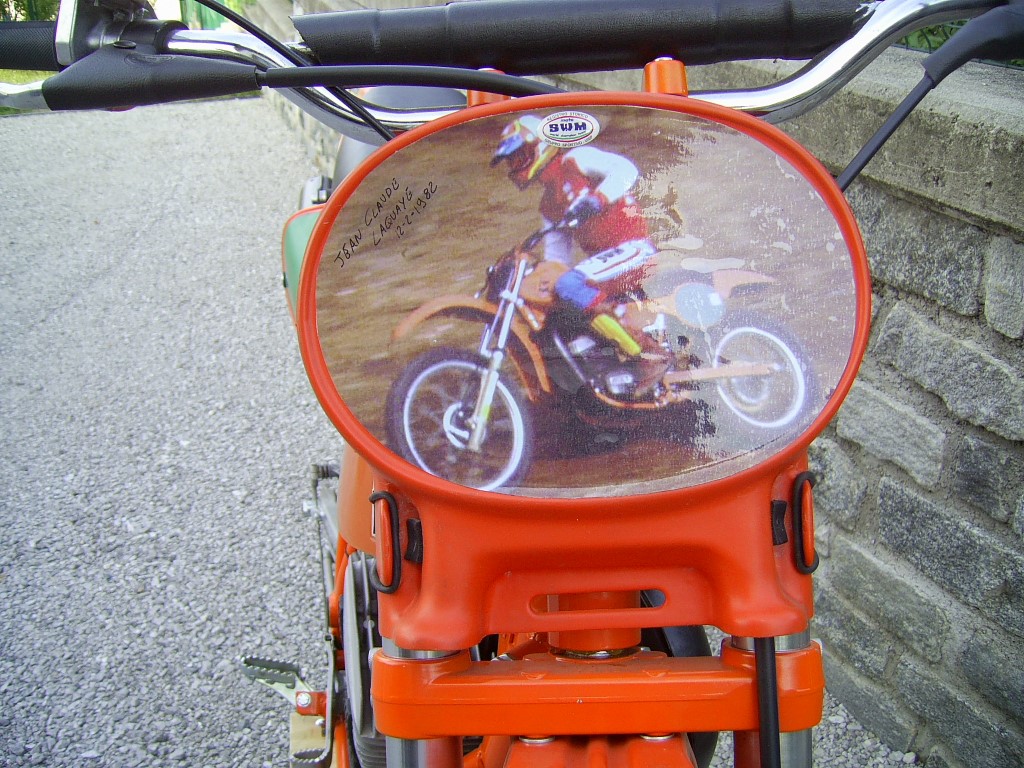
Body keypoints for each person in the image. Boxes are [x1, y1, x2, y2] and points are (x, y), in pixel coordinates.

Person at [491, 115, 670, 390]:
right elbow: (556, 261)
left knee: (570, 283)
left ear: (538, 147)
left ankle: (648, 355)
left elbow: (626, 170)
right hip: (607, 264)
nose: (515, 165)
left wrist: (597, 199)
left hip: (634, 248)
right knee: (559, 295)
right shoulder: (548, 206)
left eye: (519, 157)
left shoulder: (576, 159)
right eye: (511, 161)